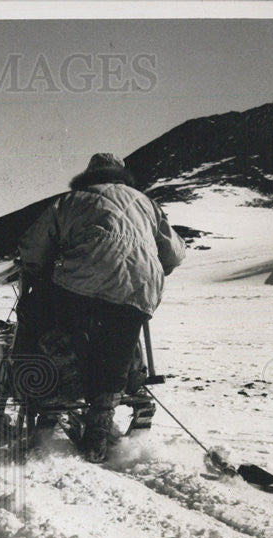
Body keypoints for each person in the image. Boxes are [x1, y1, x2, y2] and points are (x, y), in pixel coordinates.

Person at [15, 153, 185, 462]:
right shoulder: (147, 204)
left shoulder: (71, 200)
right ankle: (101, 421)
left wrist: (37, 271)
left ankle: (53, 389)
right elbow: (173, 253)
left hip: (82, 285)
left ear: (91, 174)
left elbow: (33, 247)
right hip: (139, 289)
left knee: (50, 320)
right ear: (121, 175)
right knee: (118, 346)